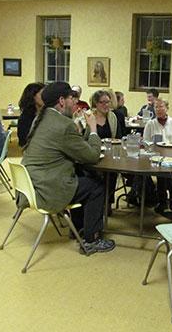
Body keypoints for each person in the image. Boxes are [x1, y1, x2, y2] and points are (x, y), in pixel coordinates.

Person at [21, 81, 114, 255]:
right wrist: (93, 129)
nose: (76, 102)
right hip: (47, 189)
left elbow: (75, 148)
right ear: (62, 101)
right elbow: (92, 156)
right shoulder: (63, 125)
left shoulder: (40, 118)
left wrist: (80, 129)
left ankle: (78, 228)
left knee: (81, 173)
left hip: (32, 184)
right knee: (96, 186)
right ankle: (91, 240)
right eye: (73, 98)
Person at [136, 98, 172, 213]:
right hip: (155, 157)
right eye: (156, 107)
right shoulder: (150, 124)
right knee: (162, 170)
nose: (158, 109)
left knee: (166, 170)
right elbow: (145, 142)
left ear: (167, 108)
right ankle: (171, 199)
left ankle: (164, 200)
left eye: (161, 106)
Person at [16, 82, 44, 147]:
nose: (45, 97)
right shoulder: (25, 118)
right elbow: (23, 142)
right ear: (32, 96)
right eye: (42, 94)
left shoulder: (46, 114)